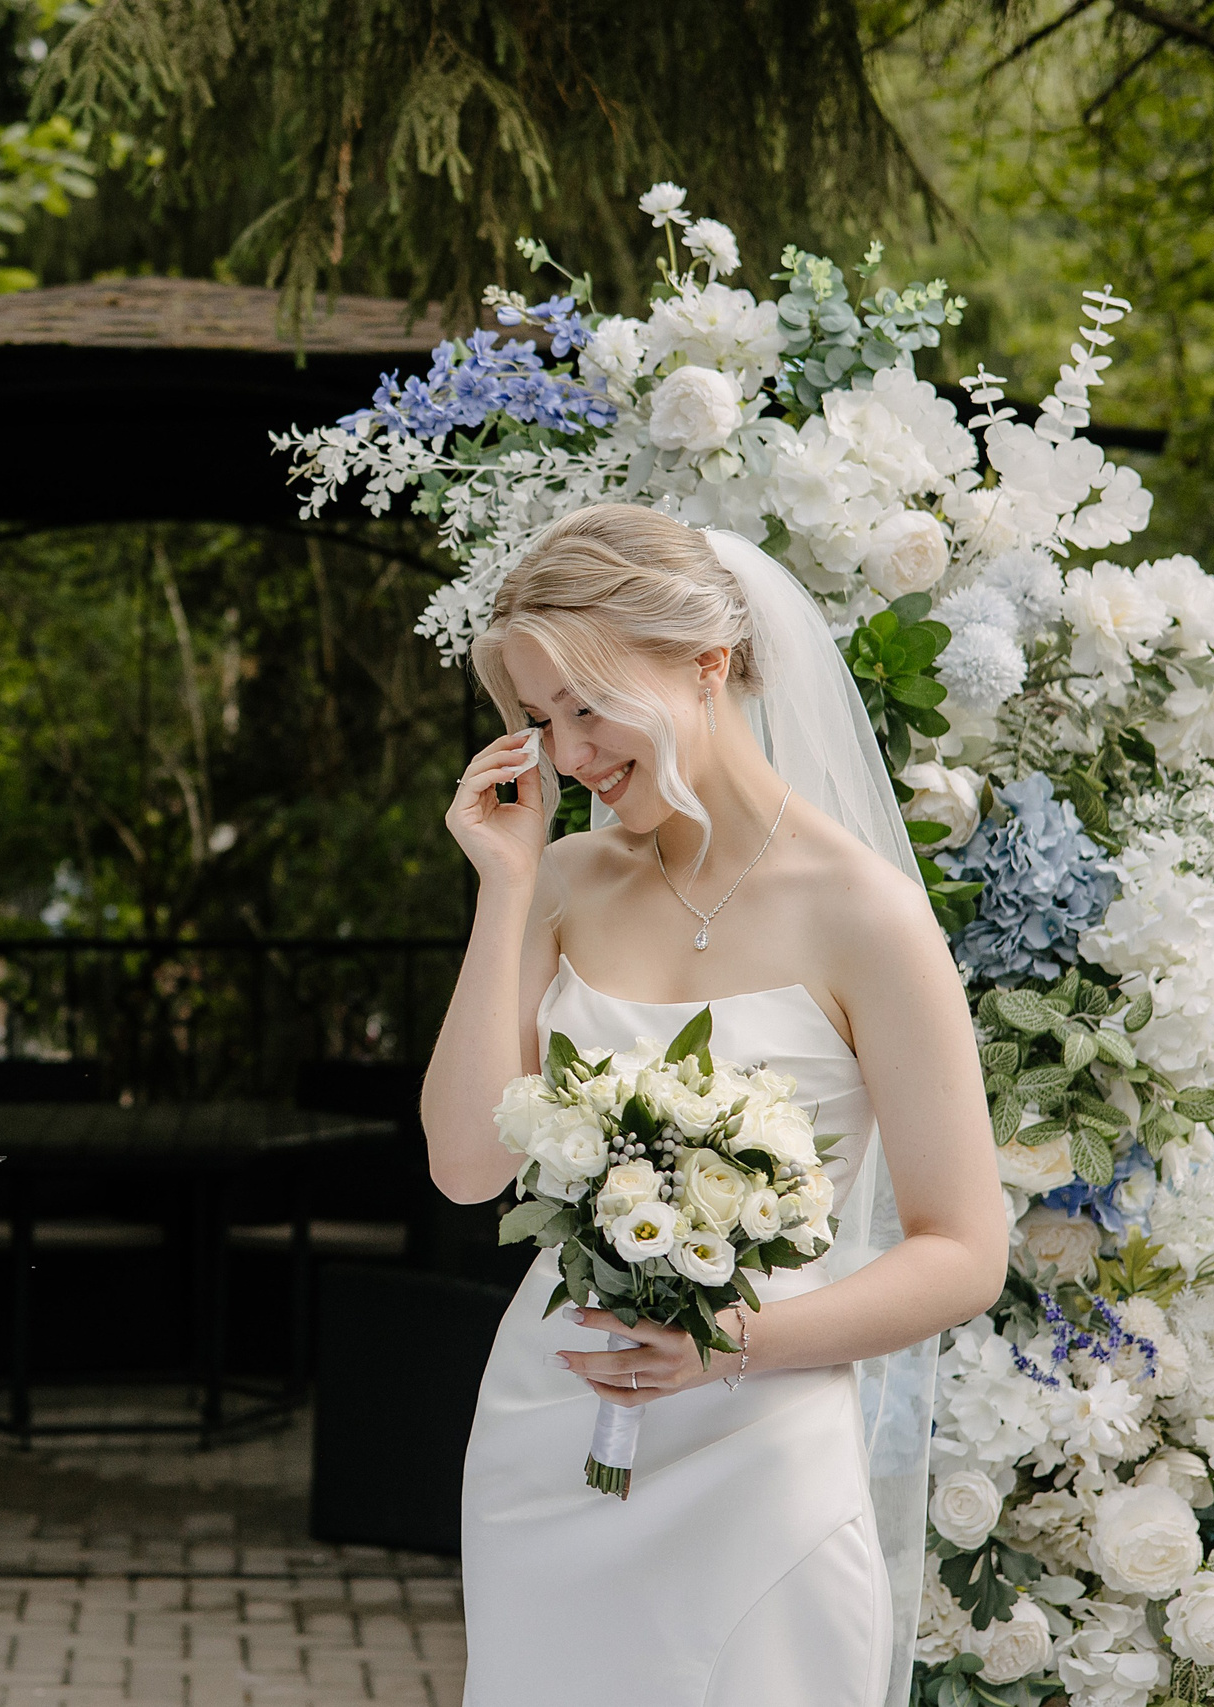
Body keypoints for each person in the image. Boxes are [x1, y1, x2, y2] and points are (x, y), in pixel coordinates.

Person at [422, 505, 1006, 1706]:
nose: (567, 751)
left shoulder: (867, 915)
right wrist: (504, 889)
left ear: (707, 662)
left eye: (586, 703)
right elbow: (466, 1167)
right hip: (556, 1422)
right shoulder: (561, 882)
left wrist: (721, 1346)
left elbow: (963, 1252)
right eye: (538, 719)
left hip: (763, 1432)